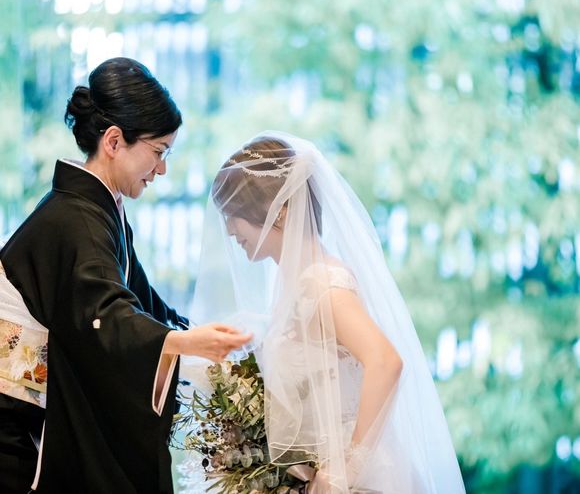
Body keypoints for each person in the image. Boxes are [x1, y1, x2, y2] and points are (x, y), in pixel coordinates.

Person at [0, 57, 251, 494]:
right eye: (159, 151)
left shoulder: (98, 210)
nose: (162, 169)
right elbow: (107, 315)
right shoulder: (75, 219)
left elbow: (141, 302)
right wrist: (182, 343)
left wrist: (194, 334)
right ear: (114, 141)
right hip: (15, 424)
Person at [191, 131, 465, 493]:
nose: (229, 230)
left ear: (278, 210)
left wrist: (349, 468)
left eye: (234, 215)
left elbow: (385, 361)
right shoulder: (292, 282)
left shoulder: (321, 284)